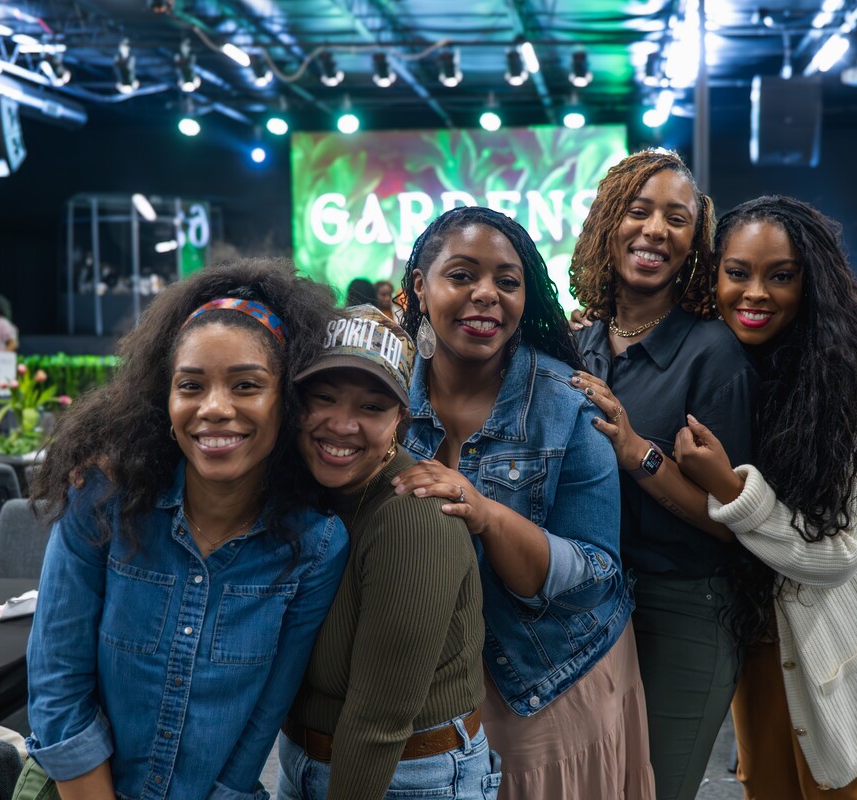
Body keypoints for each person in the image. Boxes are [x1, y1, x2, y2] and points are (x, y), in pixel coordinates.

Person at [26, 259, 348, 800]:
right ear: (165, 400)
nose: (215, 409)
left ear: (287, 402)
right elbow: (58, 685)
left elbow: (263, 720)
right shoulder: (104, 502)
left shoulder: (314, 546)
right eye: (191, 385)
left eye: (247, 385)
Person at [394, 206, 653, 799]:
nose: (486, 294)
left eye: (507, 282)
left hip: (549, 676)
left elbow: (596, 574)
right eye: (461, 275)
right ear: (419, 287)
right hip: (422, 686)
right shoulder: (376, 400)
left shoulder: (568, 405)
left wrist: (487, 517)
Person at [673, 195, 857, 798]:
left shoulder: (850, 391)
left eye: (779, 276)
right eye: (737, 273)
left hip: (845, 652)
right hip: (765, 642)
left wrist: (729, 489)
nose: (755, 292)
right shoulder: (725, 365)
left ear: (811, 284)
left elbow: (838, 555)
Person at [567, 148, 756, 800]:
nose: (654, 230)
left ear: (694, 242)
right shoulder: (584, 341)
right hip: (592, 605)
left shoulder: (715, 354)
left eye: (676, 219)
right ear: (607, 221)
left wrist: (638, 452)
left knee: (657, 787)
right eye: (638, 210)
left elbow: (737, 525)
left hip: (684, 608)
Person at [278, 304, 495, 800]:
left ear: (401, 419)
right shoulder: (300, 490)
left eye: (371, 407)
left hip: (407, 778)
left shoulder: (414, 516)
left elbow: (379, 722)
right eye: (324, 398)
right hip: (306, 760)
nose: (341, 424)